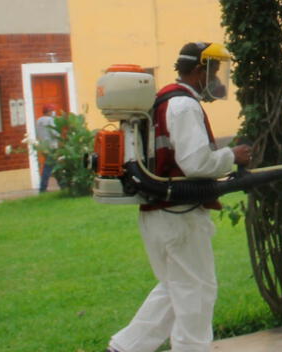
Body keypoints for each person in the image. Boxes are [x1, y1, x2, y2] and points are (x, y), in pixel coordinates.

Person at [106, 42, 252, 352]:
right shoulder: (184, 105)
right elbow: (196, 162)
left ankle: (124, 348)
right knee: (197, 292)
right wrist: (233, 155)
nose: (219, 81)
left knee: (176, 289)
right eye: (215, 72)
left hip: (157, 216)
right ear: (200, 71)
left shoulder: (161, 99)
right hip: (179, 216)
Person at [35, 104, 58, 192]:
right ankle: (43, 187)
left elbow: (37, 133)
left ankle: (62, 185)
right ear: (49, 111)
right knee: (49, 167)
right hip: (52, 146)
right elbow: (54, 132)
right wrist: (60, 137)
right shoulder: (50, 120)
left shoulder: (39, 120)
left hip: (43, 146)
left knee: (52, 165)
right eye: (52, 110)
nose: (54, 112)